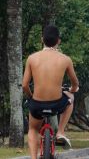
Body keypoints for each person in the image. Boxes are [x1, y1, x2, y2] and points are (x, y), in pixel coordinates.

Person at [22, 25, 79, 159]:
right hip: (57, 104)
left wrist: (31, 97)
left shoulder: (32, 58)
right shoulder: (65, 59)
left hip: (37, 104)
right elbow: (75, 84)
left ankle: (33, 158)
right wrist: (71, 90)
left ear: (42, 39)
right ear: (58, 41)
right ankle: (60, 132)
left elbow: (24, 85)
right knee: (70, 98)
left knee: (33, 129)